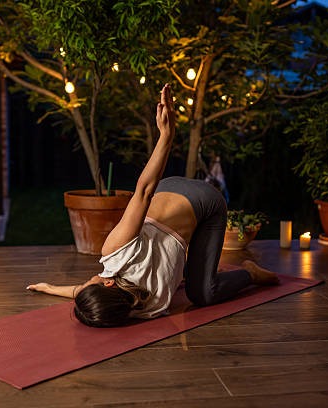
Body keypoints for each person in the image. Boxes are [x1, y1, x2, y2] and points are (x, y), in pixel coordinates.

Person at [27, 84, 279, 327]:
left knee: (192, 283)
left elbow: (145, 192)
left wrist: (48, 288)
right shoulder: (146, 302)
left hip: (179, 192)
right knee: (203, 294)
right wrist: (166, 137)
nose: (89, 280)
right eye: (91, 283)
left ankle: (208, 267)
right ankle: (250, 273)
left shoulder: (121, 263)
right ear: (109, 286)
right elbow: (88, 294)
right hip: (208, 208)